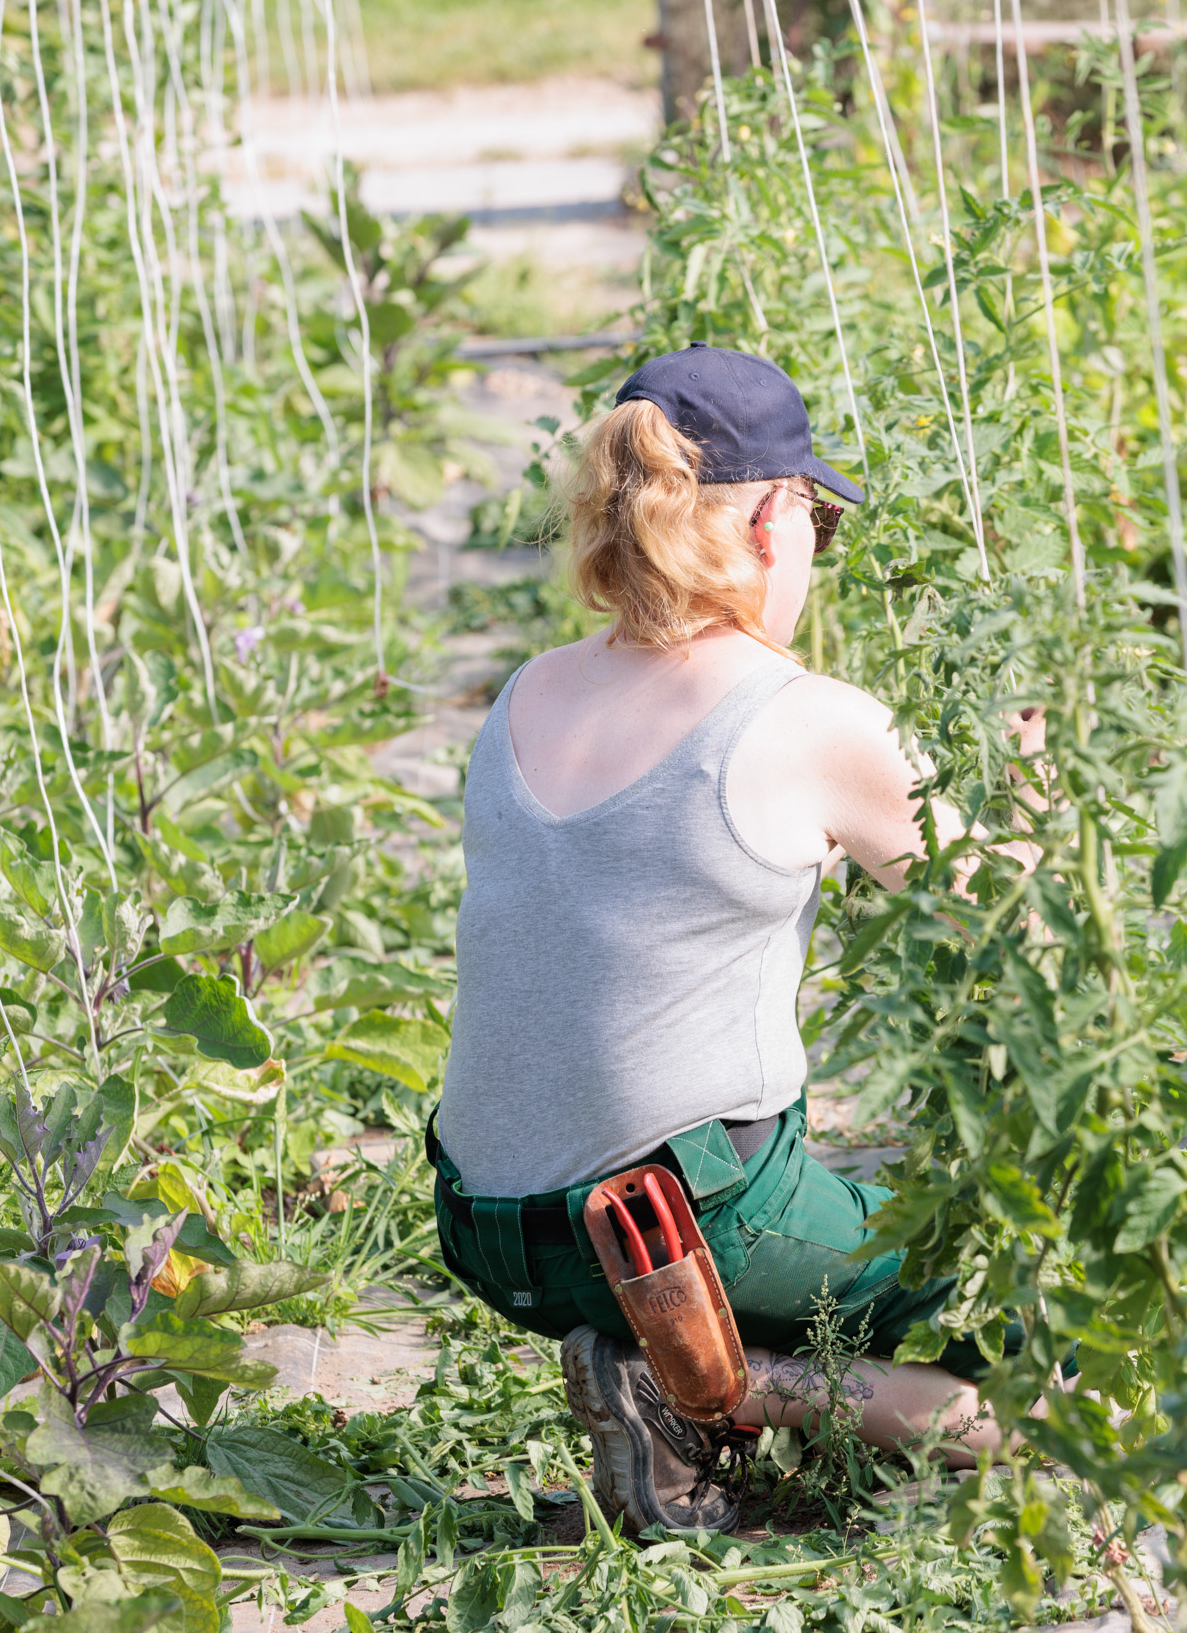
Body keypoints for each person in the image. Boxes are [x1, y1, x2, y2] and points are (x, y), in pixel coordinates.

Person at [427, 343, 1023, 1534]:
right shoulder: (801, 717)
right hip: (687, 1213)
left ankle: (660, 1367)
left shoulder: (524, 695)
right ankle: (713, 1380)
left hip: (488, 1224)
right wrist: (1042, 783)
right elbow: (1016, 917)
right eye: (817, 523)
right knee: (1043, 1349)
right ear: (769, 518)